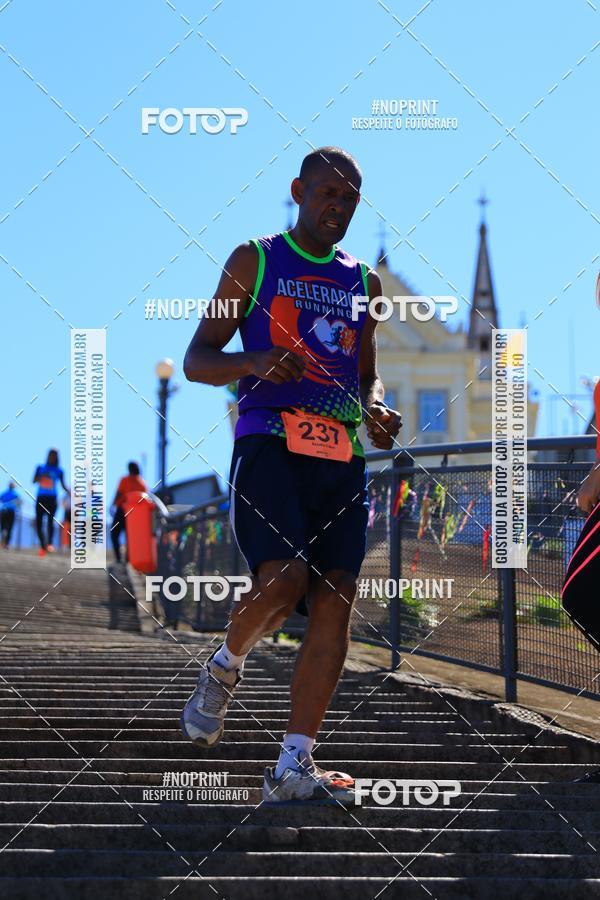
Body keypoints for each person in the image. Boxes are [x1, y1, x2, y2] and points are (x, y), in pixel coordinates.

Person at [181, 146, 402, 806]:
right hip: (270, 443)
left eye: (350, 198)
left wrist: (377, 408)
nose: (338, 205)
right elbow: (196, 359)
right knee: (284, 582)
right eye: (328, 192)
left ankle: (293, 764)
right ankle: (225, 665)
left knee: (336, 594)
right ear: (299, 191)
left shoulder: (364, 282)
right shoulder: (255, 259)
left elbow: (366, 374)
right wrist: (254, 360)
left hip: (340, 455)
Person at [33, 450, 69, 556]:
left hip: (52, 499)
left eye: (54, 455)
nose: (52, 457)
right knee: (38, 523)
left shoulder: (59, 470)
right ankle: (43, 545)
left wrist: (71, 493)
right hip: (41, 498)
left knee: (50, 521)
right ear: (48, 455)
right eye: (50, 455)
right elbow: (34, 481)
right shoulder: (40, 467)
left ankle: (49, 544)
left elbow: (63, 485)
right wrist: (41, 476)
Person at [110, 462, 148, 564]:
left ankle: (119, 558)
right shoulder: (142, 483)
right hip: (134, 514)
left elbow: (118, 493)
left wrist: (112, 504)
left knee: (114, 533)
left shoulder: (125, 480)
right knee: (130, 536)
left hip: (121, 511)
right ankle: (127, 559)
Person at [0, 481, 21, 548]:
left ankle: (3, 538)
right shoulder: (16, 494)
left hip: (3, 511)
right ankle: (7, 544)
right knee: (10, 528)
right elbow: (19, 503)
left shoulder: (4, 493)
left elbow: (1, 499)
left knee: (3, 527)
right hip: (11, 512)